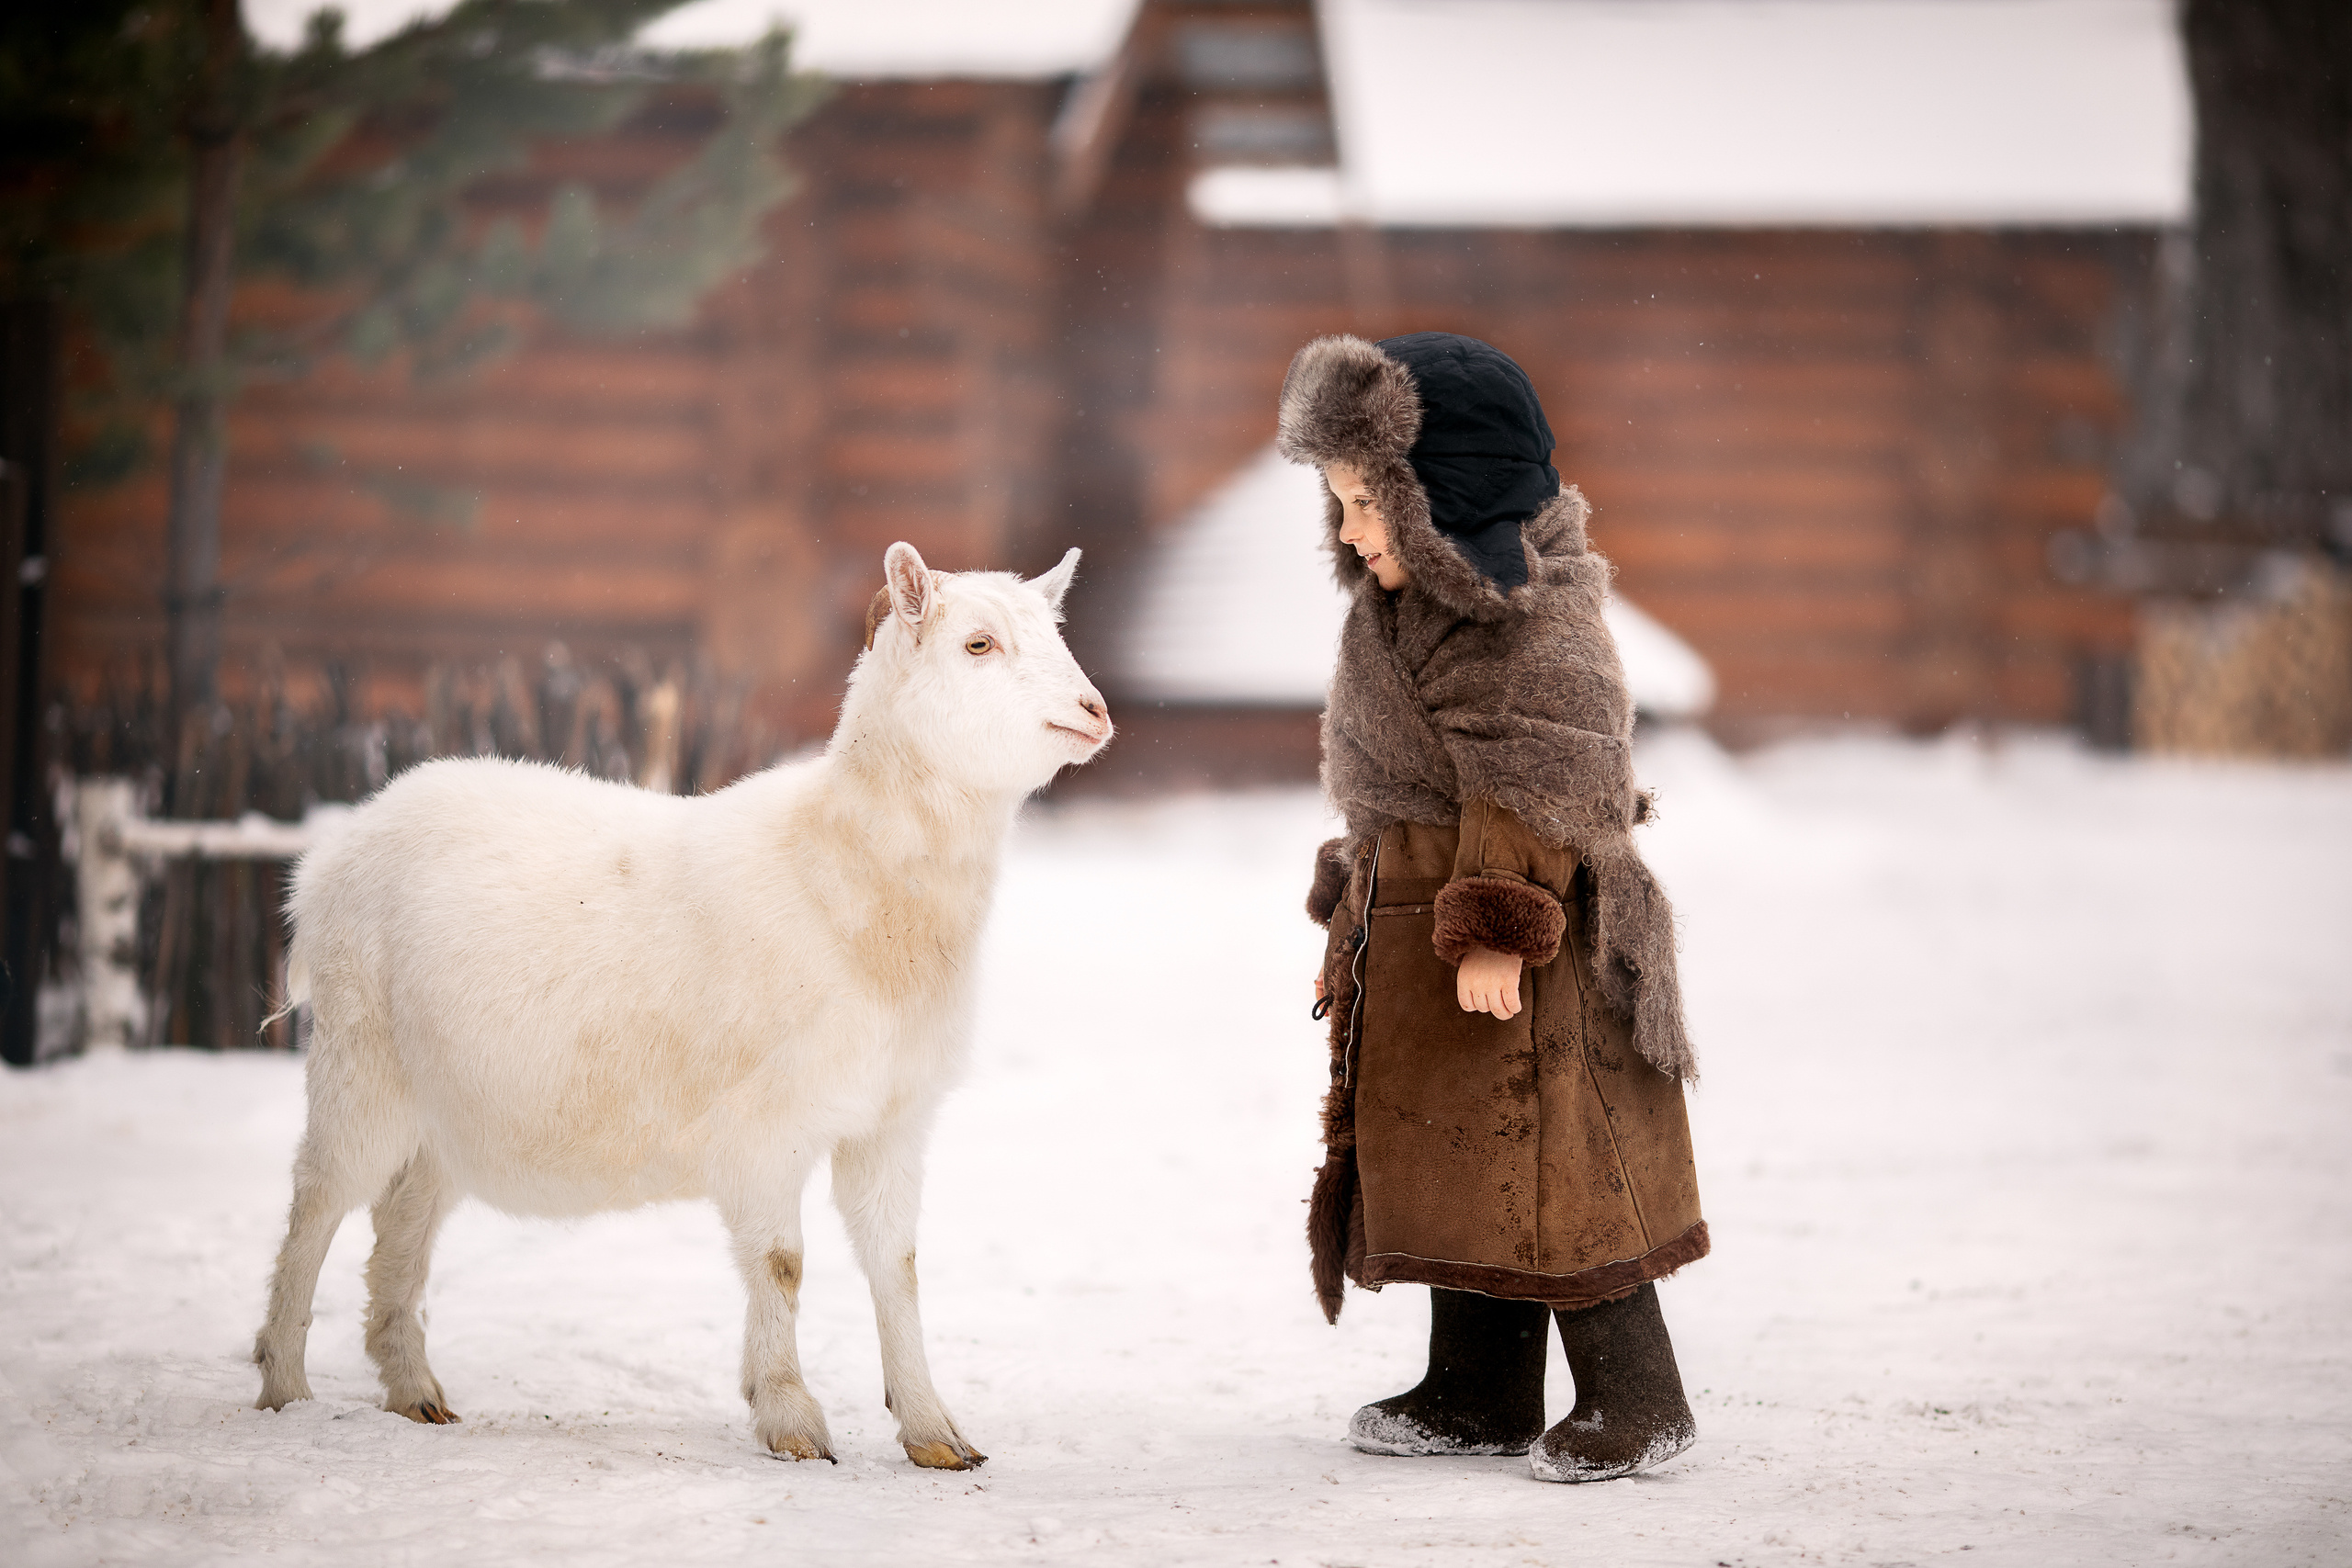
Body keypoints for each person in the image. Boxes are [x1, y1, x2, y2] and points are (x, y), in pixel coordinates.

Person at [1279, 332, 1708, 1483]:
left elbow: (1547, 769)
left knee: (1561, 1167)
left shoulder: (1533, 616)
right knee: (1467, 1165)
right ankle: (1480, 1386)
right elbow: (1402, 777)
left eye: (1370, 504)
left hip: (1528, 944)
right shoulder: (1403, 610)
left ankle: (1638, 1397)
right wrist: (1360, 888)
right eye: (1344, 507)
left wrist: (1496, 918)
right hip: (1425, 924)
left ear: (1445, 499)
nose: (1352, 532)